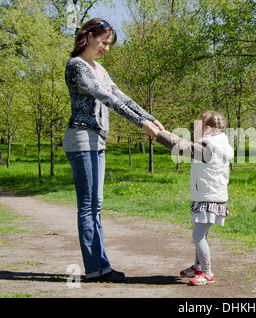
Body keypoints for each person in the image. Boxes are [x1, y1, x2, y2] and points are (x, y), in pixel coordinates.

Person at [63, 18, 164, 283]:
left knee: (97, 206)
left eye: (109, 44)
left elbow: (121, 97)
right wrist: (141, 124)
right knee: (88, 207)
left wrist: (150, 118)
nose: (106, 48)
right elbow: (104, 97)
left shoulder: (100, 68)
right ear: (89, 36)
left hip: (97, 141)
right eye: (103, 42)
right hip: (81, 138)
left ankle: (102, 265)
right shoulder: (76, 66)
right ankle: (95, 268)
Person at [147, 110, 234, 286]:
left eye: (197, 126)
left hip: (209, 198)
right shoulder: (217, 145)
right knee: (201, 233)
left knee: (198, 235)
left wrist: (159, 134)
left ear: (207, 128)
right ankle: (197, 266)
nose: (194, 130)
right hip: (210, 196)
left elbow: (182, 146)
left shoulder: (208, 148)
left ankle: (207, 273)